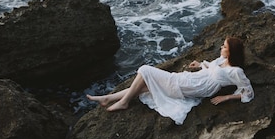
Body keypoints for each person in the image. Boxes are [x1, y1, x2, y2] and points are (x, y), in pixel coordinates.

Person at [86, 37, 254, 125]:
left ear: (231, 51)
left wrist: (227, 97)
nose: (221, 48)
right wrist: (200, 65)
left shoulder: (236, 71)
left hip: (194, 87)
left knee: (145, 70)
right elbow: (212, 68)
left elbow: (248, 91)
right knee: (144, 86)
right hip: (193, 79)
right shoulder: (221, 60)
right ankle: (108, 98)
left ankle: (123, 102)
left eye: (224, 46)